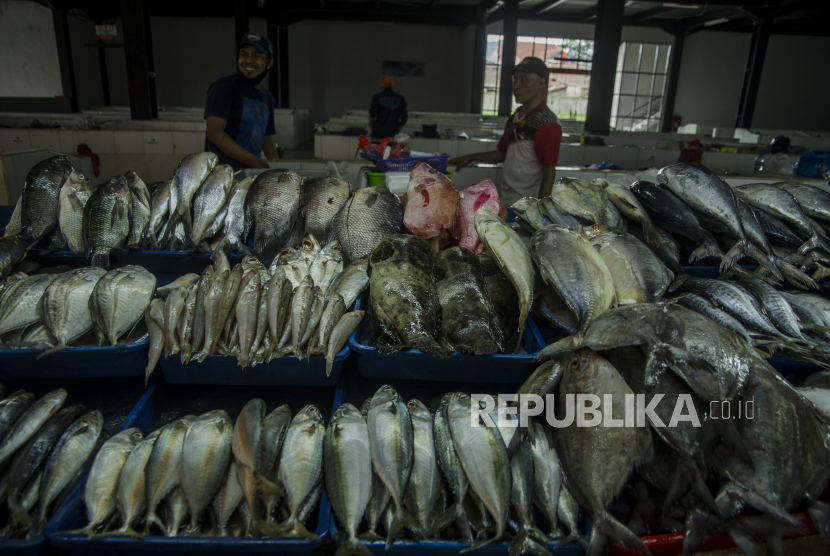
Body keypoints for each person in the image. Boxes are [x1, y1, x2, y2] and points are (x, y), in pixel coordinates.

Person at [449, 57, 562, 206]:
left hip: (528, 205)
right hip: (508, 200)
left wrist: (541, 210)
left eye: (524, 80)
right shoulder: (515, 118)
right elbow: (503, 153)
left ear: (542, 82)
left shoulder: (547, 123)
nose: (516, 86)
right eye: (515, 80)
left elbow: (549, 171)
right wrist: (471, 157)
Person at [204, 33, 280, 171]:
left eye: (256, 55)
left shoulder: (267, 97)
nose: (249, 60)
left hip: (250, 174)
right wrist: (252, 160)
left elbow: (267, 138)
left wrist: (277, 170)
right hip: (222, 176)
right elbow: (214, 133)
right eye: (244, 54)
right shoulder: (224, 87)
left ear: (269, 62)